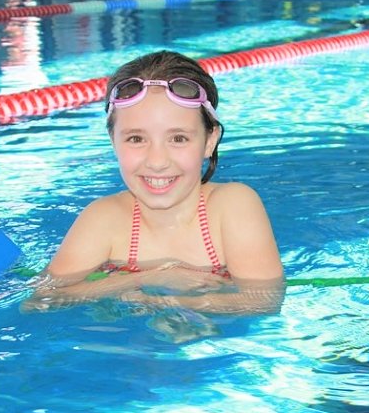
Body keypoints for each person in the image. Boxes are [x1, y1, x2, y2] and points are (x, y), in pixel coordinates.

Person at [21, 50, 284, 315]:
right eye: (136, 139)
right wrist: (147, 278)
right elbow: (40, 300)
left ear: (210, 140)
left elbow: (263, 301)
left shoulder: (232, 206)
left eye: (178, 139)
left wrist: (166, 305)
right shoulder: (104, 219)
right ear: (114, 141)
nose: (157, 161)